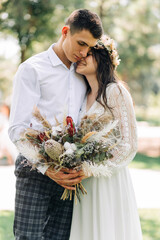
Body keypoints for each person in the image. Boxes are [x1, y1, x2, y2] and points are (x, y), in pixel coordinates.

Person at [8, 9, 103, 240]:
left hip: (69, 177)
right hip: (34, 171)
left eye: (89, 48)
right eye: (80, 43)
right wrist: (47, 168)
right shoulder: (32, 69)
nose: (83, 53)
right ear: (65, 32)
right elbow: (17, 128)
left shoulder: (84, 72)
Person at [69, 35, 143, 240]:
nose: (80, 57)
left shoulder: (115, 91)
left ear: (101, 58)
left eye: (88, 54)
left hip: (108, 180)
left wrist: (94, 169)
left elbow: (129, 144)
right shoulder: (82, 95)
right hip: (85, 183)